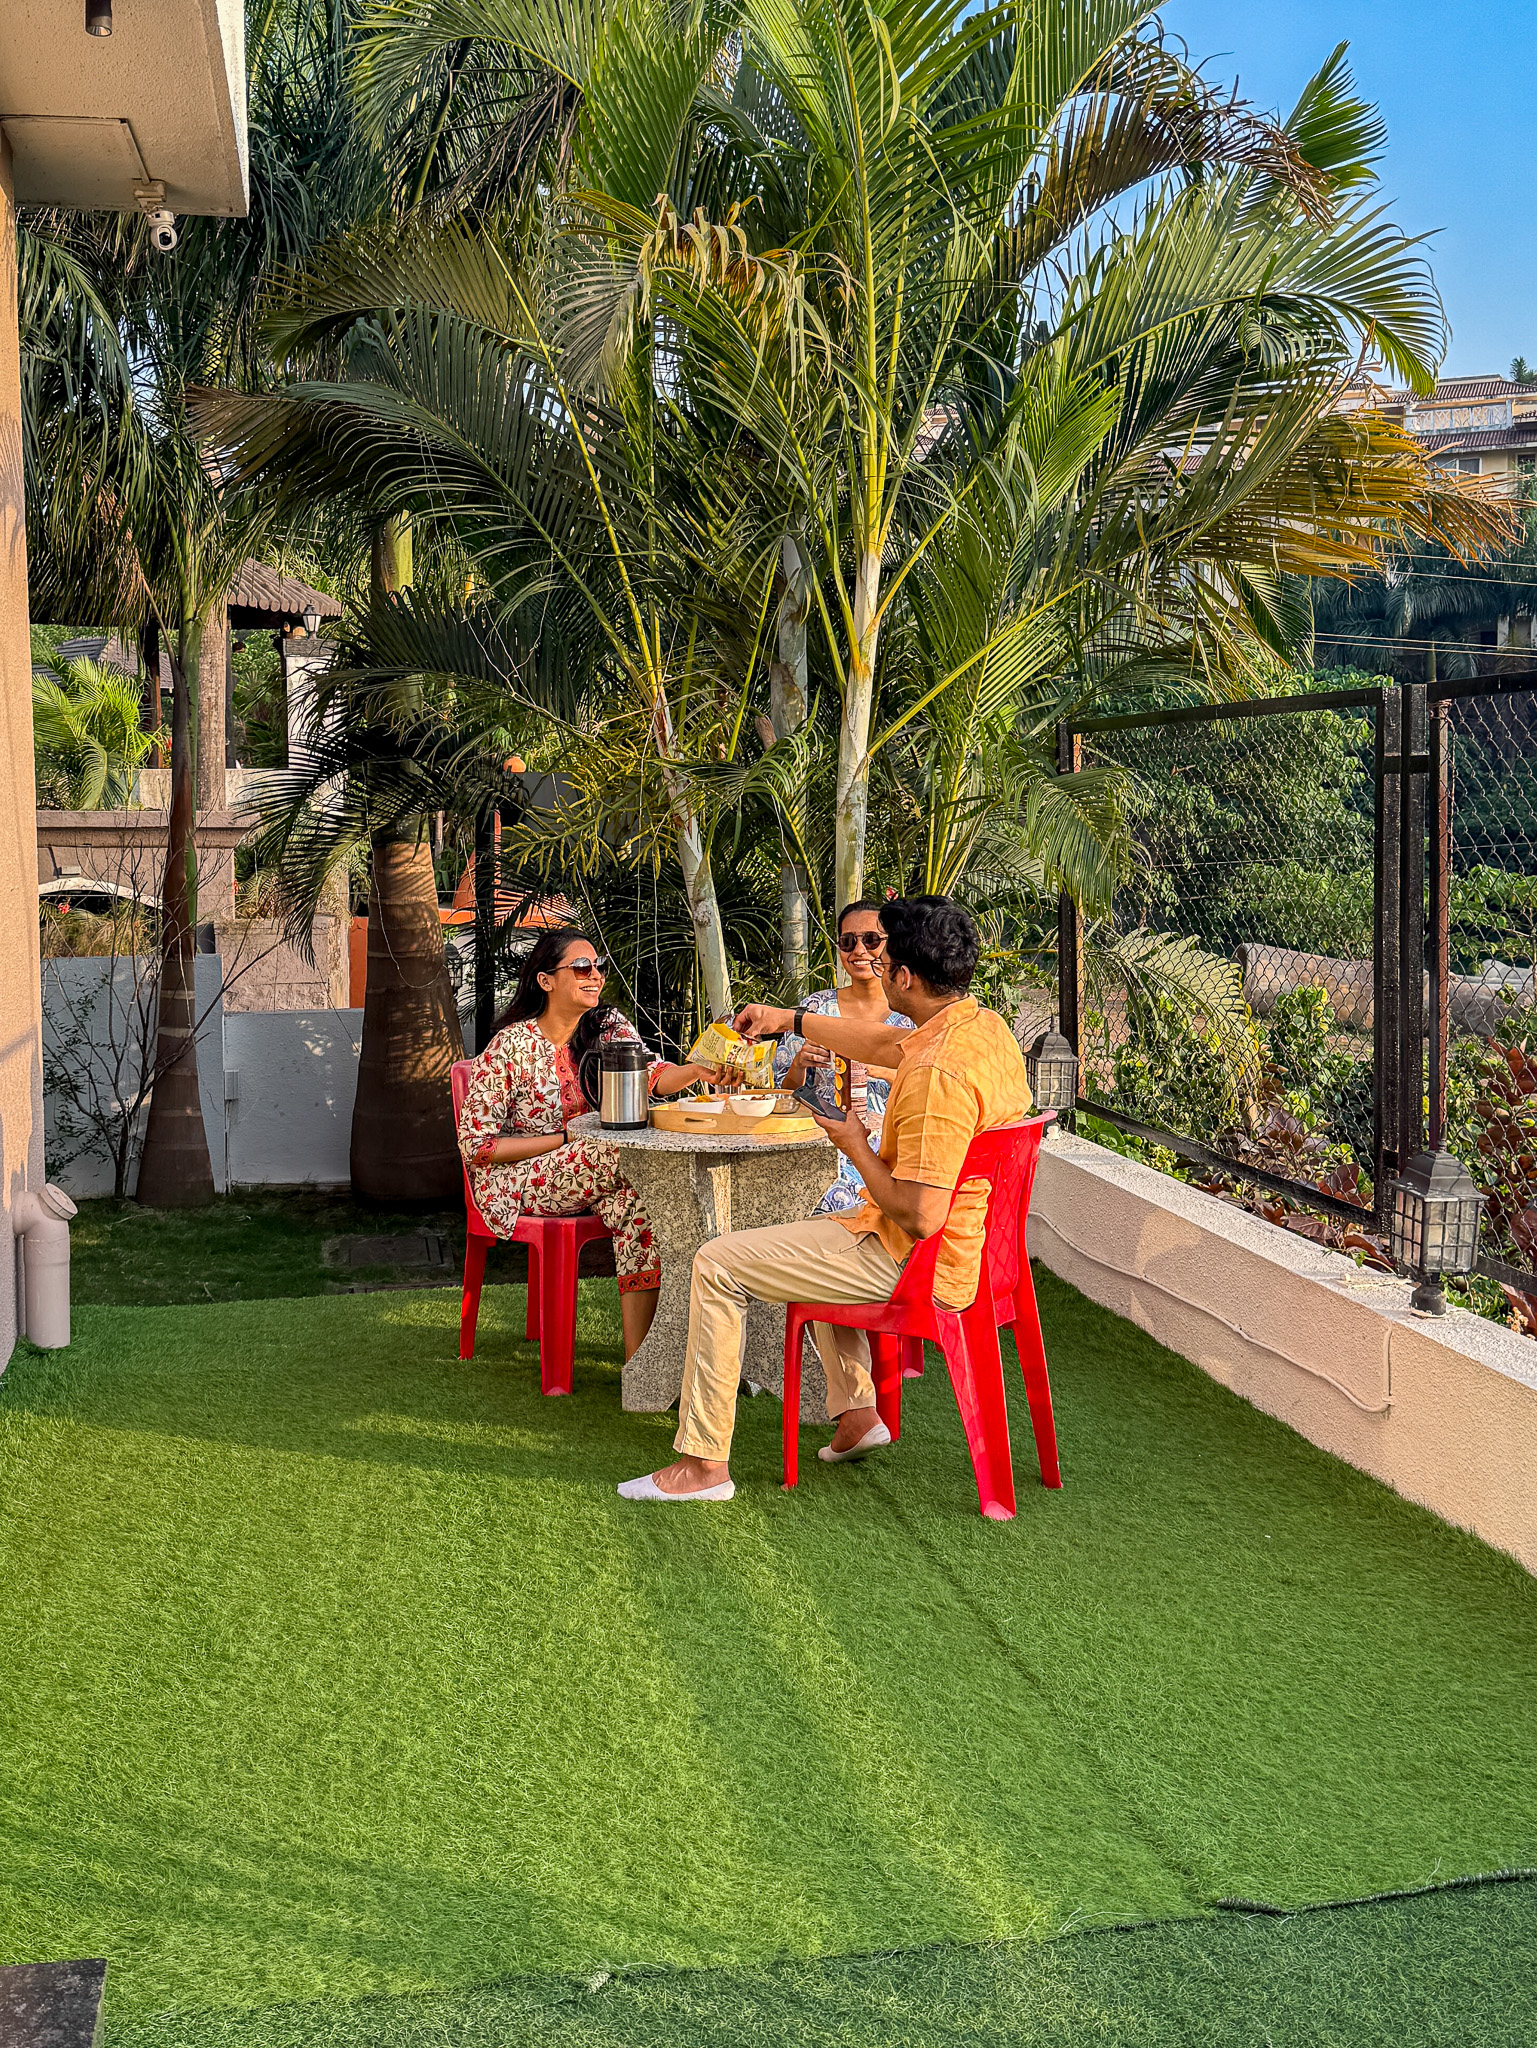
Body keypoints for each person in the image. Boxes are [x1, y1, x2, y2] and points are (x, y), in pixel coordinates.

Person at [616, 895, 1032, 1501]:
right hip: (978, 1250)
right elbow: (886, 1049)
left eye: (883, 954)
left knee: (715, 1261)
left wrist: (856, 1144)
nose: (871, 961)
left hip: (921, 1263)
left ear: (904, 977)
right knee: (812, 1226)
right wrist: (791, 1020)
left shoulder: (939, 1073)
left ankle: (703, 1468)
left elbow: (919, 1215)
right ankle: (857, 1413)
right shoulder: (980, 1028)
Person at [456, 929, 722, 1363]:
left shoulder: (608, 1028)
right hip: (516, 1182)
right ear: (546, 981)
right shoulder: (511, 1046)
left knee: (640, 1210)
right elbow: (477, 1147)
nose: (595, 974)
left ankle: (643, 1365)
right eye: (581, 967)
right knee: (629, 1151)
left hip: (598, 1169)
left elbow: (652, 1075)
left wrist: (698, 1070)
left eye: (598, 966)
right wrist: (565, 1139)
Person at [773, 899, 914, 1213]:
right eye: (848, 941)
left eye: (872, 940)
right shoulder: (815, 1009)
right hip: (821, 1146)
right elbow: (780, 1093)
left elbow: (935, 1079)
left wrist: (883, 1069)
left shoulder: (911, 1013)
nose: (859, 951)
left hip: (893, 1148)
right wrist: (799, 1063)